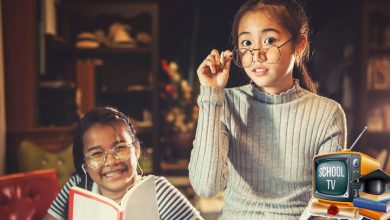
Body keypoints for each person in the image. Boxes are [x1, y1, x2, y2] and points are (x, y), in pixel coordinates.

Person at [188, 0, 347, 219]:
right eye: (246, 43)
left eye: (269, 40)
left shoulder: (327, 114)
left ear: (299, 45)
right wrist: (211, 95)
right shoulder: (225, 103)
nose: (256, 54)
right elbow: (207, 187)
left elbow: (333, 205)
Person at [44, 106, 202, 220]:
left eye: (120, 149)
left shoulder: (158, 191)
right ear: (84, 163)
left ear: (137, 150)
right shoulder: (77, 187)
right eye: (97, 153)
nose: (112, 161)